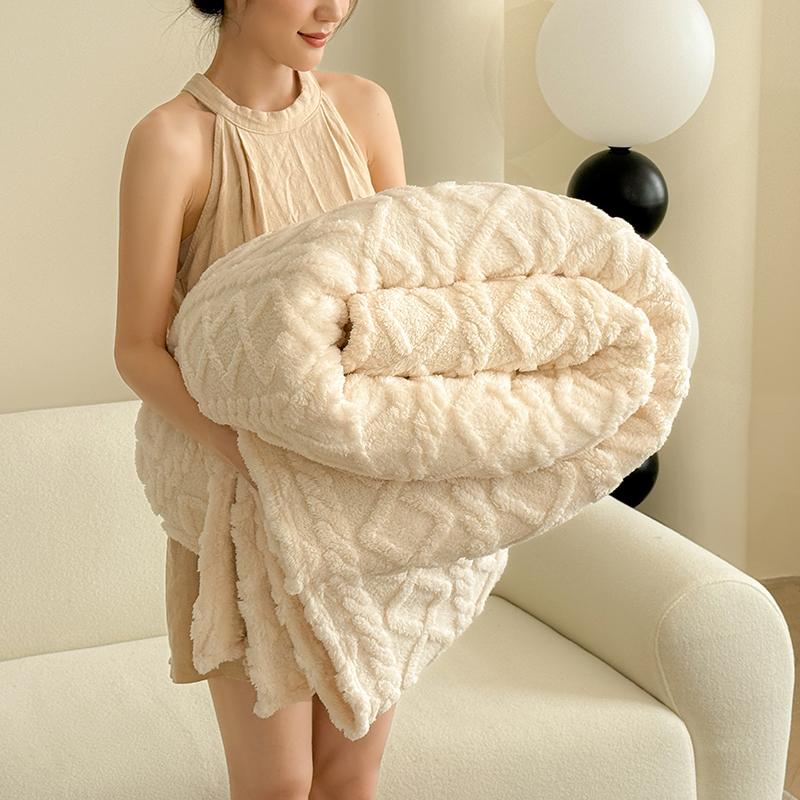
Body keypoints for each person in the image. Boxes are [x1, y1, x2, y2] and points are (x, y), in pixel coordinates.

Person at [113, 1, 407, 797]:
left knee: (350, 776)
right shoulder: (172, 141)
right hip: (247, 512)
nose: (333, 9)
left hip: (361, 501)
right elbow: (137, 347)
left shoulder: (364, 110)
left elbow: (403, 301)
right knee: (277, 785)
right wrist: (253, 455)